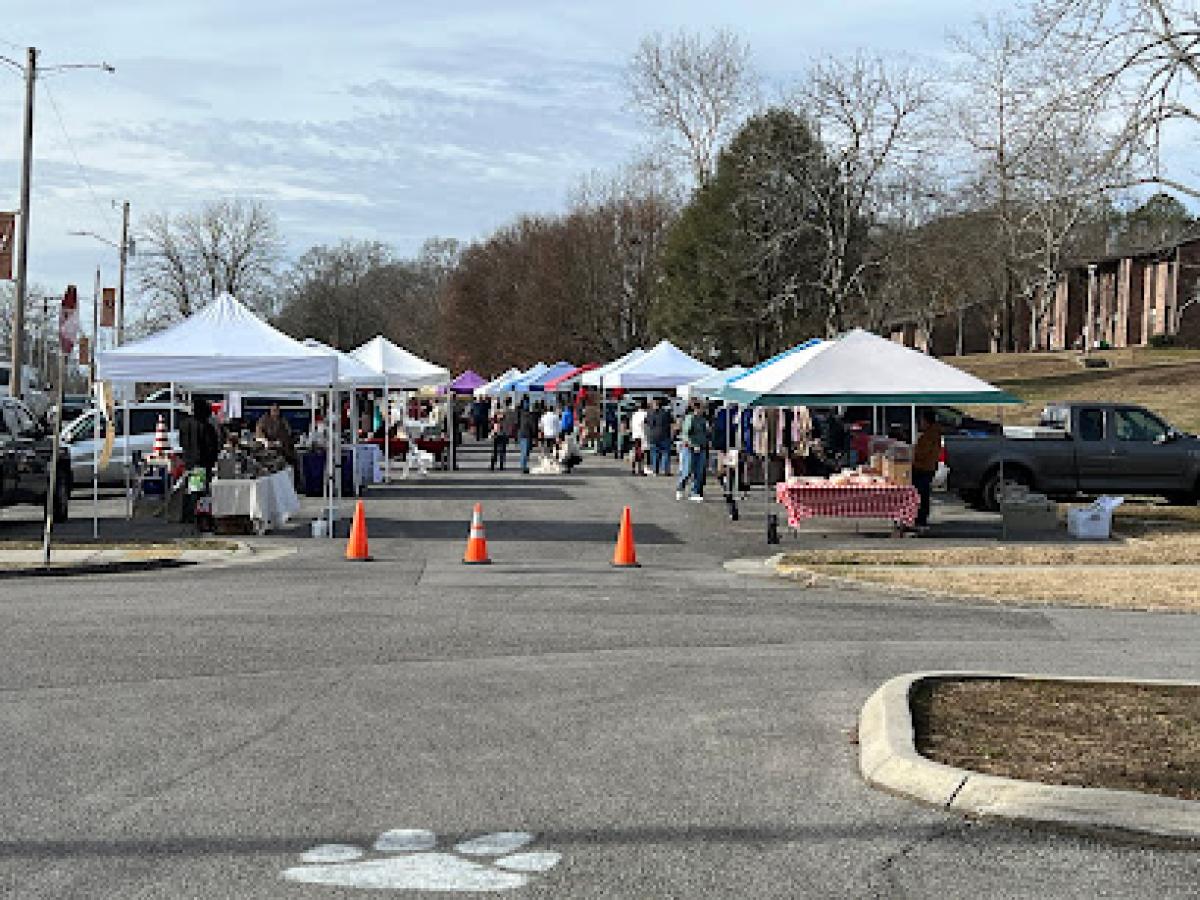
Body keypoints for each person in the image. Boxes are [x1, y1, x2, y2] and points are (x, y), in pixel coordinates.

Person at [180, 397, 220, 522]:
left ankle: (187, 514)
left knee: (190, 489)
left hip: (188, 461)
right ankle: (199, 515)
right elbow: (211, 446)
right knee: (200, 491)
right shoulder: (206, 426)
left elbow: (182, 443)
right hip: (202, 462)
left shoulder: (184, 424)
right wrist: (213, 460)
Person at [912, 408, 943, 530]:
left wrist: (913, 451)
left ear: (926, 421)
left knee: (922, 494)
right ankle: (920, 518)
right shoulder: (932, 433)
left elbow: (922, 453)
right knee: (923, 494)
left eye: (921, 420)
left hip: (924, 468)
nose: (920, 423)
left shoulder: (930, 435)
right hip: (927, 467)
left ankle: (921, 519)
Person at [675, 401, 711, 503]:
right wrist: (692, 445)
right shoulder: (690, 418)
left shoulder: (704, 419)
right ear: (696, 408)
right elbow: (685, 434)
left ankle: (695, 492)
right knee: (687, 470)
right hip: (690, 448)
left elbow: (706, 433)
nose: (703, 410)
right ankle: (680, 488)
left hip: (702, 447)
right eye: (702, 408)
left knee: (699, 471)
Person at [255, 403, 297, 471]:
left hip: (282, 449)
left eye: (277, 410)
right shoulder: (263, 419)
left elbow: (288, 432)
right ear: (270, 410)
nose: (276, 412)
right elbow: (259, 432)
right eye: (274, 410)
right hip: (266, 449)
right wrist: (266, 442)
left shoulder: (282, 420)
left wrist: (280, 441)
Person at [646, 398, 673, 476]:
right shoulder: (666, 413)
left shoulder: (649, 413)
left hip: (653, 436)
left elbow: (647, 424)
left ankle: (655, 470)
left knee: (655, 453)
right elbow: (672, 423)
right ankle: (665, 470)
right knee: (665, 453)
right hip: (664, 435)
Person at [516, 400, 538, 474]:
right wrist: (535, 435)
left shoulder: (521, 415)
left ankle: (523, 465)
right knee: (526, 452)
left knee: (523, 451)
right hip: (527, 435)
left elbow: (517, 424)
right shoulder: (530, 416)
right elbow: (533, 427)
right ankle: (523, 467)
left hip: (521, 434)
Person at [489, 400, 511, 471]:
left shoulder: (495, 417)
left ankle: (496, 464)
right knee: (500, 451)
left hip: (498, 435)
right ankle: (498, 465)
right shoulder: (504, 417)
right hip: (501, 435)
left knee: (497, 451)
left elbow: (491, 427)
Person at [630, 399, 648, 476]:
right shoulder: (645, 414)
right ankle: (641, 470)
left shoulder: (634, 414)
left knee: (635, 452)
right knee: (642, 454)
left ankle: (633, 468)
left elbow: (631, 424)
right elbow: (646, 424)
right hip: (643, 435)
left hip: (635, 435)